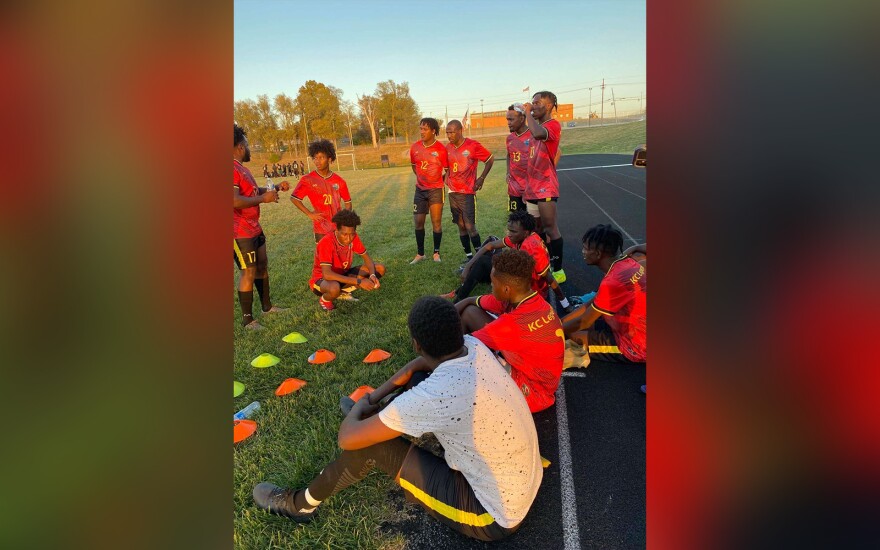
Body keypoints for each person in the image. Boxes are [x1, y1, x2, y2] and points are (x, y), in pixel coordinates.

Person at [253, 296, 542, 541]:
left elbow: (347, 438)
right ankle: (378, 419)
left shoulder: (439, 392)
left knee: (369, 445)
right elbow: (420, 365)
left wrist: (359, 409)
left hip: (493, 516)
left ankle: (299, 505)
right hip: (520, 481)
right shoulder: (473, 347)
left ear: (416, 343)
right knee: (417, 377)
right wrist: (375, 399)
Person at [455, 249, 564, 413]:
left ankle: (451, 375)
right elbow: (471, 301)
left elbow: (457, 348)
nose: (491, 286)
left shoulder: (512, 324)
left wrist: (414, 367)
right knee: (470, 312)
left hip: (534, 393)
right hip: (536, 373)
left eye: (493, 283)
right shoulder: (527, 298)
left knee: (462, 358)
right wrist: (446, 315)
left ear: (506, 289)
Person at [441, 211, 571, 311]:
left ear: (526, 232)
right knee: (484, 261)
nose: (509, 234)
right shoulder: (520, 237)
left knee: (486, 266)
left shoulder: (532, 247)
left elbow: (549, 277)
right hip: (517, 282)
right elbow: (489, 246)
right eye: (509, 230)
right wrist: (468, 265)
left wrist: (565, 303)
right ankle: (459, 295)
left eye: (513, 231)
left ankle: (458, 302)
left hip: (528, 292)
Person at [561, 224, 646, 364]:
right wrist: (561, 322)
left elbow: (584, 321)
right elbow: (591, 303)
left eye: (586, 248)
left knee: (571, 334)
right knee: (568, 326)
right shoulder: (627, 263)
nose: (582, 252)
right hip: (629, 324)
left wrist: (553, 332)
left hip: (636, 344)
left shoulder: (612, 281)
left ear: (598, 254)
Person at [233, 124, 290, 330]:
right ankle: (248, 320)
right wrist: (264, 199)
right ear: (240, 146)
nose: (249, 149)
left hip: (254, 227)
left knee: (262, 265)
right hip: (239, 231)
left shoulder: (242, 169)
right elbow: (233, 200)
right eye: (247, 145)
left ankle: (267, 307)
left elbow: (253, 192)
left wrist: (274, 189)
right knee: (247, 271)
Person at [522, 91, 566, 283]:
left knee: (550, 228)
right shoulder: (535, 129)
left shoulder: (552, 125)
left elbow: (540, 134)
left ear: (548, 106)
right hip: (532, 188)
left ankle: (558, 270)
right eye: (532, 103)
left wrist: (527, 113)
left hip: (545, 187)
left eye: (537, 103)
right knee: (535, 229)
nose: (533, 106)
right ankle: (541, 264)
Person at [309, 209, 385, 311]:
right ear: (337, 230)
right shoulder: (326, 242)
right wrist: (359, 281)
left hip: (342, 275)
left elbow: (367, 259)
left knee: (379, 268)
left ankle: (342, 292)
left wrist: (372, 275)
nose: (348, 238)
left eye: (352, 234)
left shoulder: (353, 237)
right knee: (334, 288)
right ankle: (325, 299)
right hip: (322, 280)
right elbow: (327, 274)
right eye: (344, 234)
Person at [445, 119, 494, 262]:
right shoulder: (447, 147)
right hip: (452, 192)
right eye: (447, 132)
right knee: (460, 226)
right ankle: (469, 258)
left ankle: (480, 258)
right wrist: (446, 179)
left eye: (452, 132)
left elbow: (490, 159)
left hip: (467, 192)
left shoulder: (472, 145)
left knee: (470, 226)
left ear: (460, 130)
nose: (449, 135)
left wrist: (482, 178)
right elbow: (447, 167)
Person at [291, 139, 353, 243]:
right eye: (315, 158)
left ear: (329, 158)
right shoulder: (308, 179)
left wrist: (345, 220)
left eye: (321, 157)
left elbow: (348, 202)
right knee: (324, 256)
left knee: (338, 256)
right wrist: (309, 214)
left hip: (338, 226)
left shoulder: (339, 181)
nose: (317, 161)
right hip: (321, 226)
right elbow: (294, 198)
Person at [409, 118, 449, 263]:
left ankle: (436, 253)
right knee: (418, 222)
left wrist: (436, 182)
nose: (422, 132)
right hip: (420, 190)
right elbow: (414, 166)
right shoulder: (415, 148)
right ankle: (420, 254)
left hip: (436, 190)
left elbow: (446, 170)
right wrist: (422, 179)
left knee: (436, 222)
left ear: (433, 131)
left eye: (425, 129)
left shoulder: (441, 149)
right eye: (420, 129)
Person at [505, 104, 530, 213]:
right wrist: (507, 172)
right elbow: (508, 155)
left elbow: (557, 153)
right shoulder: (509, 138)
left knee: (534, 225)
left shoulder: (534, 135)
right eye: (507, 119)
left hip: (531, 188)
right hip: (514, 188)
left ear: (522, 118)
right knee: (516, 221)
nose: (508, 123)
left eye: (511, 119)